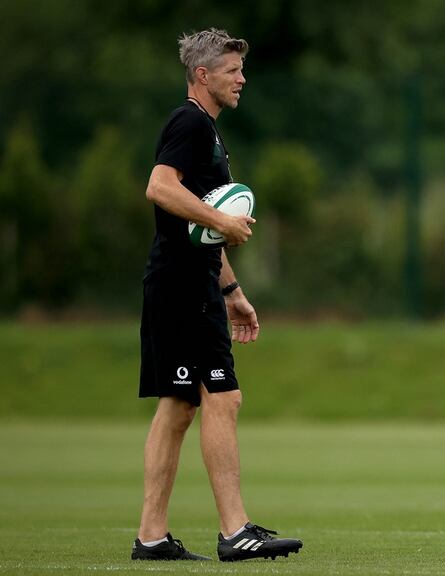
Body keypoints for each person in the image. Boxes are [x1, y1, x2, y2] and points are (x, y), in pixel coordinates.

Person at [133, 28, 302, 562]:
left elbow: (196, 226)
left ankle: (152, 538)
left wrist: (231, 289)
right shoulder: (189, 121)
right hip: (182, 289)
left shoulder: (207, 130)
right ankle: (235, 531)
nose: (241, 78)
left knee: (180, 406)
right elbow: (160, 187)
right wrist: (222, 220)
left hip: (193, 284)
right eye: (232, 70)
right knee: (221, 397)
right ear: (202, 76)